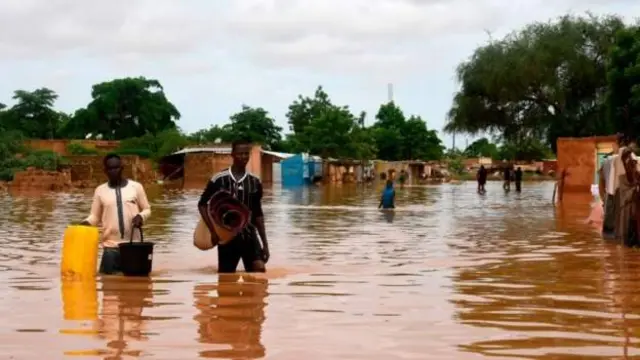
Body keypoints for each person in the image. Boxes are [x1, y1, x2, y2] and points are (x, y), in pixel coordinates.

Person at [198, 140, 270, 273]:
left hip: (249, 234)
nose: (243, 157)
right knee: (225, 278)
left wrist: (265, 244)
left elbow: (258, 213)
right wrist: (213, 231)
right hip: (226, 236)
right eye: (240, 154)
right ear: (232, 154)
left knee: (259, 271)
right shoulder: (219, 179)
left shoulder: (255, 181)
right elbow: (202, 204)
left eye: (246, 154)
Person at [80, 154, 152, 275]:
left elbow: (147, 209)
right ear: (105, 171)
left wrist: (141, 216)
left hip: (133, 246)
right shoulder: (100, 190)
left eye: (116, 168)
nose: (113, 171)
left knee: (136, 287)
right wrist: (83, 224)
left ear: (122, 168)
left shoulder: (136, 187)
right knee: (108, 285)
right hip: (110, 247)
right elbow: (95, 217)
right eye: (110, 169)